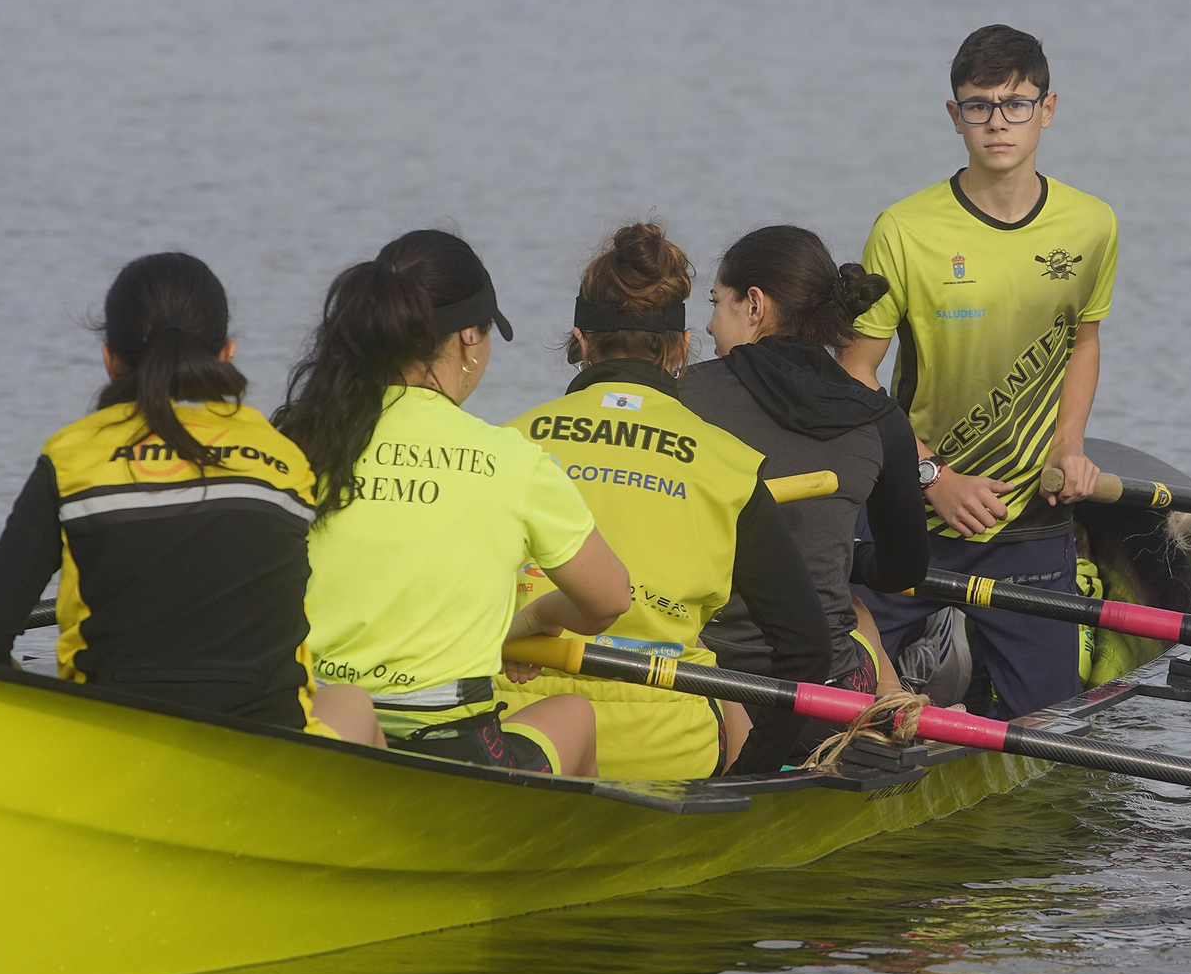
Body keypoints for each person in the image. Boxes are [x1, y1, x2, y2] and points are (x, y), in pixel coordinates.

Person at [0, 252, 383, 745]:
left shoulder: (70, 457)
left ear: (110, 360)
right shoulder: (285, 461)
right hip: (271, 746)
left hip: (113, 743)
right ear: (227, 353)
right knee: (351, 700)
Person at [273, 230, 627, 776]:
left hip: (313, 725)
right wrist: (539, 615)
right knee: (574, 714)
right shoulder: (513, 459)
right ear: (468, 337)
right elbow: (609, 599)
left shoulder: (298, 440)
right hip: (452, 747)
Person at [840, 24, 1118, 718]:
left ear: (1047, 109)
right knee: (831, 694)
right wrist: (932, 477)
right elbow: (855, 373)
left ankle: (961, 674)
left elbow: (1083, 343)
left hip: (1028, 519)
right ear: (954, 115)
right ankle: (920, 675)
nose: (997, 122)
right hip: (910, 513)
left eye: (1016, 103)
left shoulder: (1093, 225)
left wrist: (1070, 446)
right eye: (978, 105)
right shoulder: (902, 230)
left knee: (1049, 730)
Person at [503, 224, 833, 778]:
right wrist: (750, 779)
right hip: (666, 745)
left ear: (581, 341)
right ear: (680, 347)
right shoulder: (728, 464)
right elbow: (807, 651)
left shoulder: (507, 442)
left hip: (517, 727)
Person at [682, 225, 931, 704]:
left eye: (716, 302)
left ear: (754, 305)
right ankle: (894, 708)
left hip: (706, 675)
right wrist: (847, 557)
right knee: (856, 610)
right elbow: (904, 569)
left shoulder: (680, 394)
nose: (710, 325)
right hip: (825, 687)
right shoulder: (883, 419)